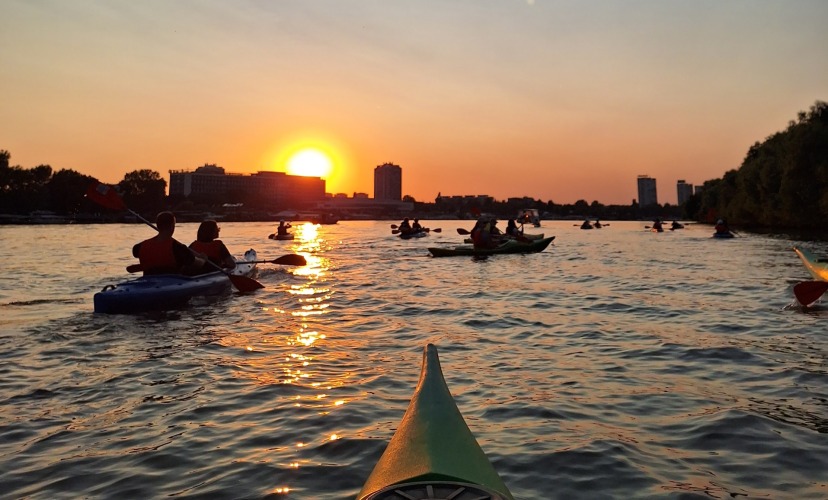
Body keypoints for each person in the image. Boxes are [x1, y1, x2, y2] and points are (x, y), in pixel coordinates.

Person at [132, 211, 205, 276]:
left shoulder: (139, 247)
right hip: (173, 282)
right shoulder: (178, 248)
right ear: (172, 227)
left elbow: (135, 253)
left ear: (157, 225)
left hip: (147, 283)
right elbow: (197, 264)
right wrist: (202, 259)